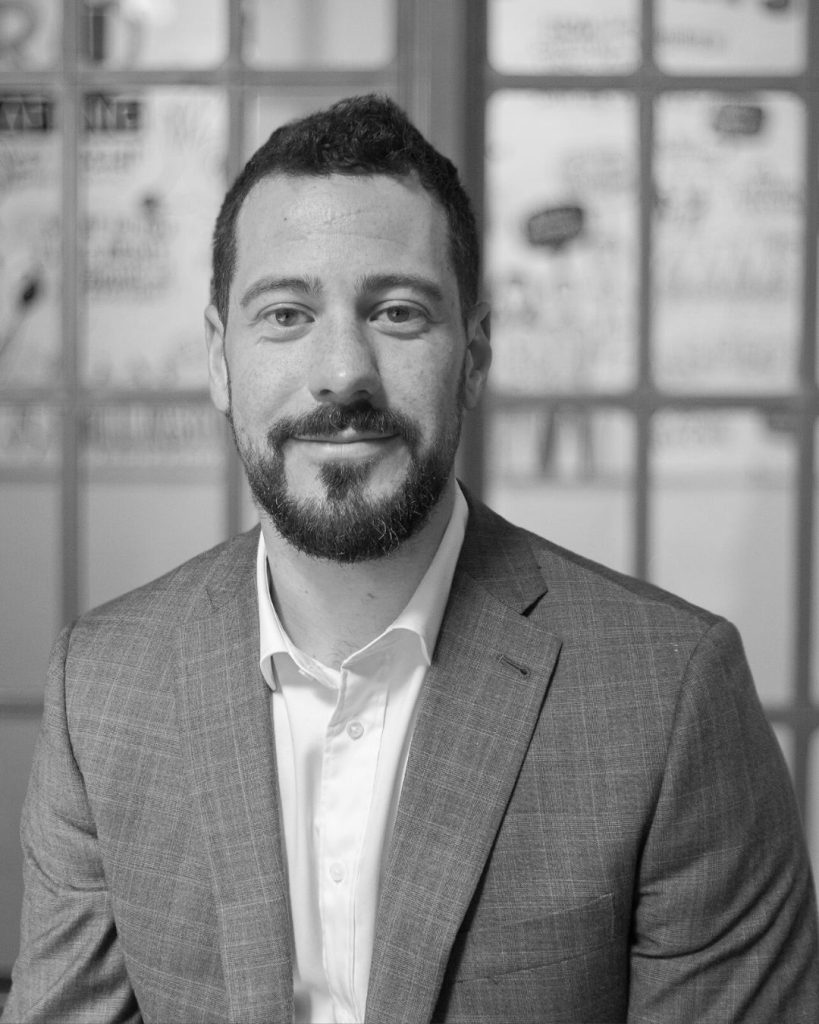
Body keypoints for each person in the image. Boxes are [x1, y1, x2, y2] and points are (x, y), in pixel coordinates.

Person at [3, 94, 818, 1024]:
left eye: (396, 312)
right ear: (220, 359)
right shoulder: (100, 689)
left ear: (473, 354)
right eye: (286, 314)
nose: (342, 372)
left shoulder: (670, 696)